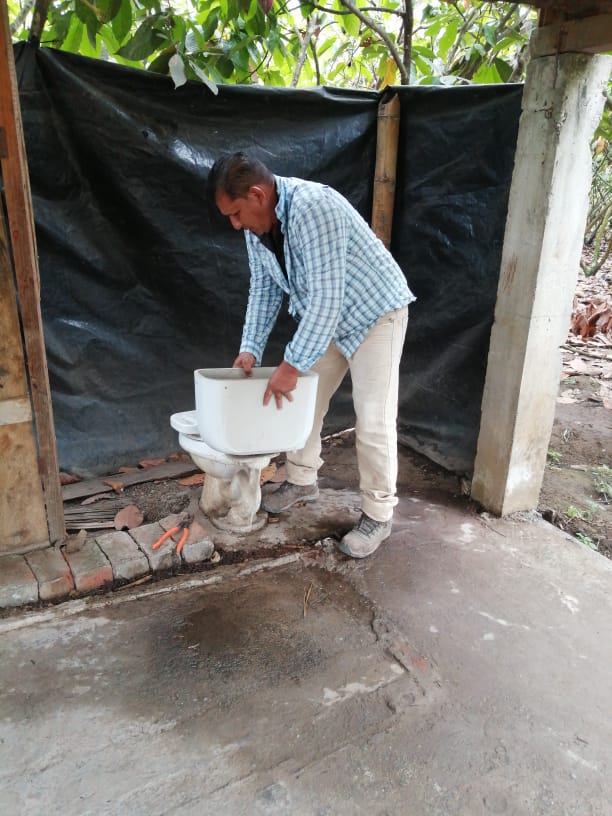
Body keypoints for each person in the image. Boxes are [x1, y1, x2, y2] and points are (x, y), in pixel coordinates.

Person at [208, 152, 415, 558]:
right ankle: (302, 480)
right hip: (329, 319)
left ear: (257, 195)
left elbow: (325, 299)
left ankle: (378, 514)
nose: (235, 225)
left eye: (236, 214)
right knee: (303, 403)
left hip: (375, 313)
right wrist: (250, 348)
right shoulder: (256, 228)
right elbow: (264, 289)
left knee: (373, 419)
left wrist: (291, 365)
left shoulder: (312, 207)